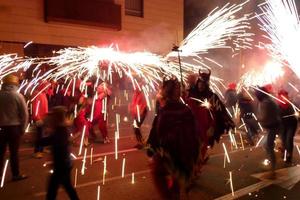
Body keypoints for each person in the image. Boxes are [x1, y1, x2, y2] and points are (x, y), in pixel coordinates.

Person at [147, 78, 199, 200]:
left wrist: (152, 148)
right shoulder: (185, 110)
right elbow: (194, 133)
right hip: (181, 156)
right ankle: (174, 194)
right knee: (175, 178)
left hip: (170, 155)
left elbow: (157, 131)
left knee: (158, 173)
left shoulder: (167, 111)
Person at [187, 69, 234, 166]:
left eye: (203, 84)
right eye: (200, 83)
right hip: (191, 126)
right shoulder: (190, 93)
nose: (201, 86)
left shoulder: (212, 96)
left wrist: (213, 126)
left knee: (202, 147)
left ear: (206, 84)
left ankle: (197, 167)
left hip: (205, 127)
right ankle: (194, 166)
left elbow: (218, 111)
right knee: (191, 149)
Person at [40, 106, 79, 200]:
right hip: (64, 164)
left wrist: (40, 135)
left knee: (52, 190)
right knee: (67, 187)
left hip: (61, 165)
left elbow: (48, 141)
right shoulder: (61, 129)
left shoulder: (60, 131)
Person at [0, 74, 29, 181]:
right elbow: (25, 114)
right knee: (14, 153)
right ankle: (15, 175)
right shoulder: (18, 96)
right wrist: (23, 128)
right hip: (14, 129)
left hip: (1, 128)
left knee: (0, 154)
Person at [255, 86, 282, 178]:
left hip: (272, 127)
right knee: (265, 144)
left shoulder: (266, 103)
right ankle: (271, 164)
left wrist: (258, 119)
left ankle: (273, 171)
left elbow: (264, 117)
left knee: (268, 147)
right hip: (272, 127)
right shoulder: (267, 101)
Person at [277, 89, 298, 163]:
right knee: (284, 140)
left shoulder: (291, 104)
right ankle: (285, 152)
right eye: (281, 96)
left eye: (284, 96)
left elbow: (297, 112)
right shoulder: (278, 106)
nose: (283, 98)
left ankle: (289, 155)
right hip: (282, 126)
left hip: (291, 124)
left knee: (289, 139)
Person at [31, 81, 49, 158]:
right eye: (46, 86)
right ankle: (37, 151)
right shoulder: (37, 94)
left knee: (43, 135)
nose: (48, 88)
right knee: (39, 135)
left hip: (43, 118)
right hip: (39, 118)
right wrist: (37, 118)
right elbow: (35, 107)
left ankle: (41, 149)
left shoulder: (43, 93)